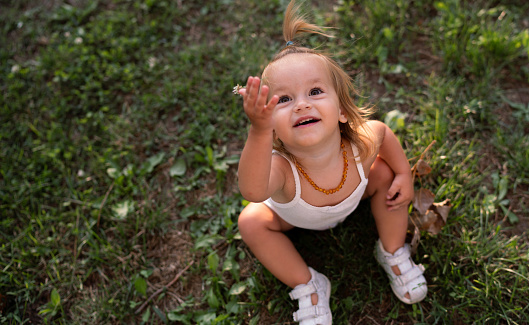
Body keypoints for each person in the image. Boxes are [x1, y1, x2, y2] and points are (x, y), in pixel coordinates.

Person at [236, 1, 427, 323]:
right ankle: (308, 284)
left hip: (357, 194)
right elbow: (253, 190)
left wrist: (404, 174)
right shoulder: (282, 169)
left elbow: (382, 132)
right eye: (284, 99)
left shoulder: (360, 146)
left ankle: (392, 250)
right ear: (272, 125)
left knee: (384, 176)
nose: (301, 105)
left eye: (315, 91)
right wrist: (258, 131)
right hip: (293, 217)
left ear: (341, 110)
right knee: (252, 222)